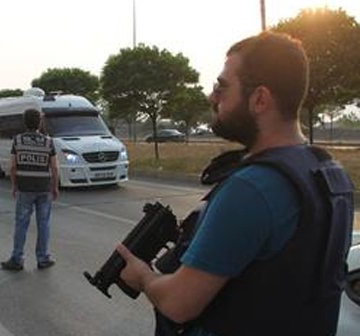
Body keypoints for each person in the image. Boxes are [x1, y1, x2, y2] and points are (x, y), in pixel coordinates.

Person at [116, 31, 354, 335]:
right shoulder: (330, 173)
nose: (212, 97)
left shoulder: (253, 187)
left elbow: (179, 303)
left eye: (222, 87)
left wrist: (142, 277)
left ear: (260, 99)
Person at [1, 108, 59, 271]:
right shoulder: (48, 142)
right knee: (44, 224)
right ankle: (43, 258)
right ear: (39, 122)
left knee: (21, 224)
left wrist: (14, 185)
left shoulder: (18, 141)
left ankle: (17, 259)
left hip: (25, 189)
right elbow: (54, 168)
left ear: (25, 122)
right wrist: (54, 187)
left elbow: (12, 166)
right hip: (44, 188)